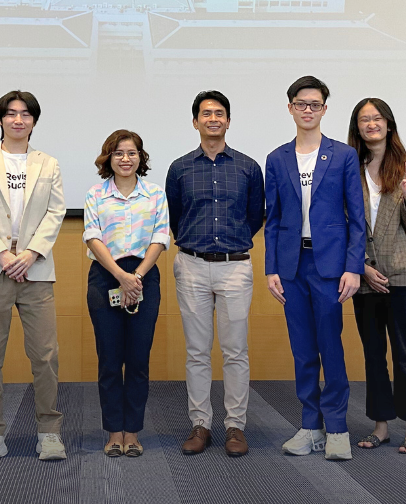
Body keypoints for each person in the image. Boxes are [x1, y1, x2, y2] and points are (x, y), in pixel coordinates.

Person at [0, 91, 67, 464]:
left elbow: (55, 213)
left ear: (34, 121)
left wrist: (31, 254)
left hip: (36, 270)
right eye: (11, 114)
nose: (18, 120)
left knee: (46, 355)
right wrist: (4, 255)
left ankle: (49, 432)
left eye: (25, 114)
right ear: (1, 120)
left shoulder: (48, 164)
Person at [264, 76, 365, 461]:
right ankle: (311, 426)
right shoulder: (276, 158)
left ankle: (337, 427)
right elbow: (272, 220)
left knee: (331, 348)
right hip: (291, 267)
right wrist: (271, 267)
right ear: (290, 108)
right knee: (303, 351)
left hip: (330, 268)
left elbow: (356, 218)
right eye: (301, 104)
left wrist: (353, 267)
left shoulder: (342, 156)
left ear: (324, 109)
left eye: (315, 104)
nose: (308, 110)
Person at [165, 90, 265, 457]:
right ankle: (201, 424)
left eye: (219, 113)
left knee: (236, 351)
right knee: (197, 351)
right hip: (191, 264)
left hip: (235, 266)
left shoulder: (248, 167)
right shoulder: (179, 168)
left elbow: (254, 217)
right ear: (195, 121)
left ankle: (235, 426)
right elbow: (175, 217)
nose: (212, 119)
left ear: (227, 120)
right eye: (205, 113)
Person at [82, 130, 170, 458]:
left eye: (132, 153)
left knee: (137, 359)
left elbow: (161, 237)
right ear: (109, 157)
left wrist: (136, 277)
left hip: (144, 275)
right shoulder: (95, 195)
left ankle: (132, 432)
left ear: (140, 157)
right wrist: (121, 276)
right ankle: (113, 432)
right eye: (118, 153)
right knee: (109, 359)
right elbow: (92, 236)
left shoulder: (155, 194)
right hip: (106, 276)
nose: (125, 159)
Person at [346, 98, 406, 455]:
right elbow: (342, 223)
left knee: (405, 353)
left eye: (377, 118)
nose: (371, 124)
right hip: (364, 276)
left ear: (389, 124)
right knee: (373, 354)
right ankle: (380, 425)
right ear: (357, 128)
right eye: (364, 119)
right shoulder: (348, 168)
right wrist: (361, 265)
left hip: (401, 276)